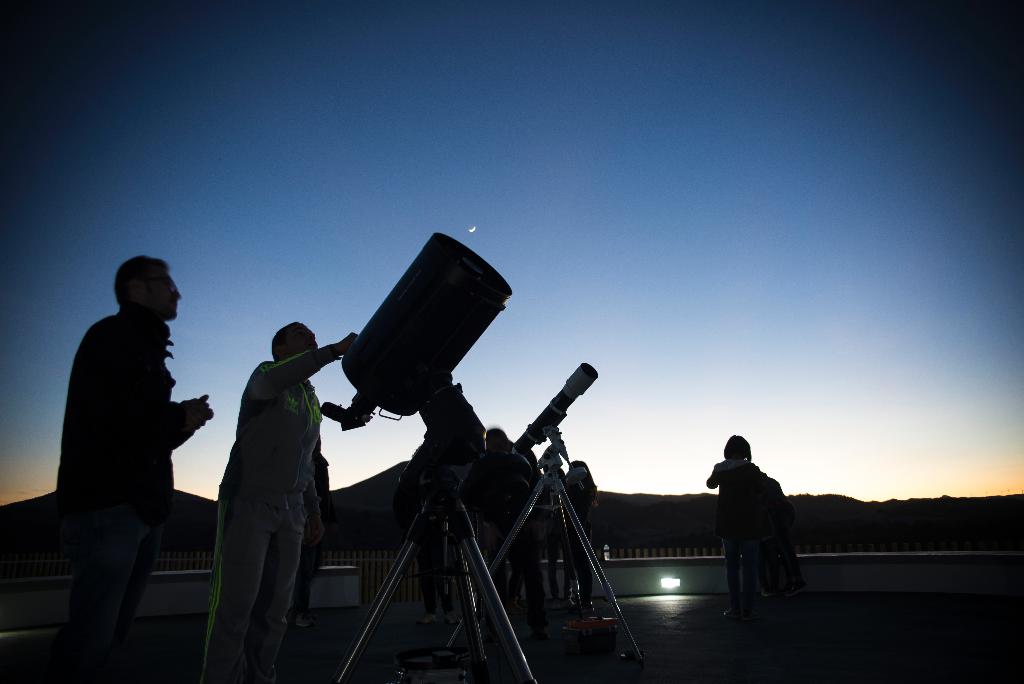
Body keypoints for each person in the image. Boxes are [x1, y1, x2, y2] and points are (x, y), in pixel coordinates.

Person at [48, 256, 214, 682]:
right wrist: (179, 417)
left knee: (105, 638)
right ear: (136, 289)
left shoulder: (141, 344)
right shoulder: (115, 338)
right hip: (110, 507)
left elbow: (145, 435)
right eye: (166, 283)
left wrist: (184, 422)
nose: (177, 291)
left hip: (136, 509)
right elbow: (118, 422)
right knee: (91, 642)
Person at [200, 323, 367, 683]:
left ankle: (260, 677)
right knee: (235, 609)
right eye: (298, 333)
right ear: (279, 347)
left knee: (276, 612)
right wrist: (333, 352)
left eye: (312, 334)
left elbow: (308, 459)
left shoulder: (309, 399)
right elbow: (279, 378)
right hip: (249, 504)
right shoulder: (264, 377)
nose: (310, 336)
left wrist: (313, 511)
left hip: (291, 513)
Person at [484, 428, 549, 640]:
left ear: (505, 442)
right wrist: (489, 524)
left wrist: (538, 518)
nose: (493, 452)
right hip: (499, 525)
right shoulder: (488, 459)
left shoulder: (525, 454)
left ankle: (538, 625)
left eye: (496, 447)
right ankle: (495, 629)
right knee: (495, 579)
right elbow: (482, 492)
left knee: (533, 576)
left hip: (526, 523)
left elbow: (540, 487)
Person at [706, 435, 768, 621]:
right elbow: (761, 488)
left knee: (731, 568)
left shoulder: (720, 469)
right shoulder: (751, 469)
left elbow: (710, 484)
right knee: (749, 569)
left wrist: (719, 470)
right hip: (750, 526)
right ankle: (747, 611)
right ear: (746, 451)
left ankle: (735, 609)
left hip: (727, 526)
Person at [289, 438, 338, 628]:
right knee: (305, 568)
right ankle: (299, 612)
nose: (318, 443)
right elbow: (305, 491)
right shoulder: (305, 462)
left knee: (311, 566)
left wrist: (330, 518)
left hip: (317, 521)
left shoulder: (319, 463)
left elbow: (325, 494)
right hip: (305, 520)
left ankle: (297, 610)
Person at [760, 474, 806, 596]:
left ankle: (796, 581)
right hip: (784, 512)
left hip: (777, 513)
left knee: (784, 548)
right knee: (784, 547)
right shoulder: (769, 481)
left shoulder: (758, 483)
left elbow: (768, 504)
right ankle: (793, 581)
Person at [562, 459, 598, 614]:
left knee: (581, 566)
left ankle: (583, 599)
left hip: (576, 529)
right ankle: (581, 599)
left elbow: (579, 512)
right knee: (579, 566)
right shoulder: (589, 489)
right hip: (577, 529)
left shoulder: (582, 490)